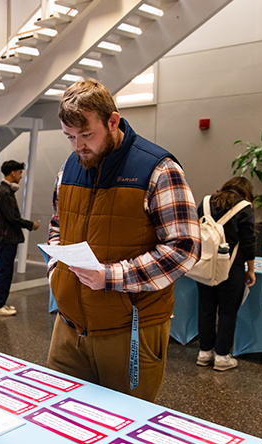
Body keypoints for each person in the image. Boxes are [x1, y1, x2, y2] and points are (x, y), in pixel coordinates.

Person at [46, 78, 200, 402]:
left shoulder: (158, 169)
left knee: (123, 431)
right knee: (61, 420)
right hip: (69, 327)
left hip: (129, 330)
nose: (78, 146)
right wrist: (55, 270)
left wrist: (112, 277)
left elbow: (184, 248)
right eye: (70, 137)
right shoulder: (69, 168)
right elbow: (57, 226)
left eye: (87, 135)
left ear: (113, 121)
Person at [195, 177, 257, 371]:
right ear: (246, 193)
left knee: (206, 308)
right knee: (227, 312)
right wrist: (251, 269)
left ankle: (204, 352)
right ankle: (222, 356)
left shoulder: (205, 202)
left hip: (205, 266)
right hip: (232, 268)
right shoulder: (244, 207)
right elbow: (249, 241)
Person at [0, 160, 40, 316]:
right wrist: (31, 225)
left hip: (4, 238)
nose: (20, 176)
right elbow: (13, 218)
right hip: (5, 239)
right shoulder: (5, 192)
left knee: (3, 271)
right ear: (13, 173)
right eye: (19, 173)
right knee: (5, 272)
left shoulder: (3, 191)